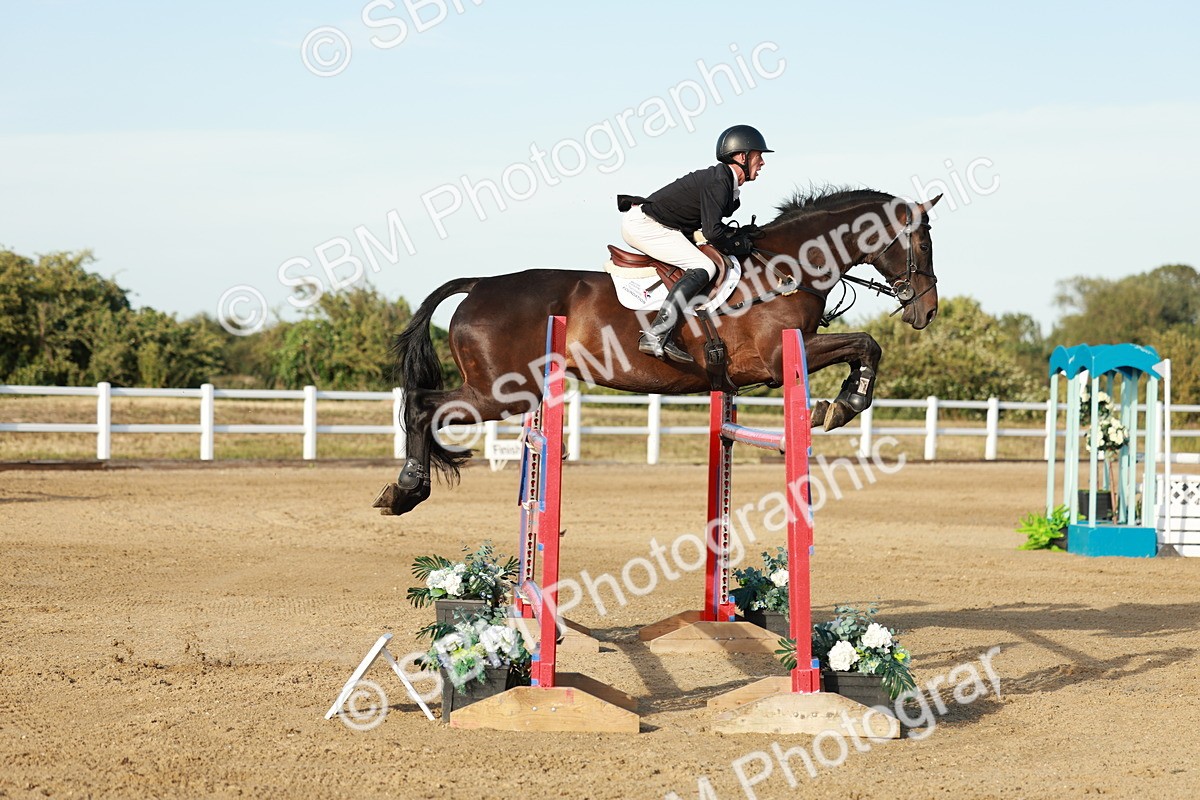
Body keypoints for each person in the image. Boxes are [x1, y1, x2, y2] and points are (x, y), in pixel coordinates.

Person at [617, 125, 771, 363]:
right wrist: (740, 245)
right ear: (742, 156)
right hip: (645, 225)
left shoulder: (725, 183)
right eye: (759, 156)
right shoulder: (718, 181)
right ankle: (656, 334)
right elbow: (712, 232)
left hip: (662, 225)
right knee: (705, 267)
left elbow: (710, 229)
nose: (762, 163)